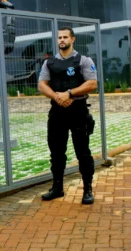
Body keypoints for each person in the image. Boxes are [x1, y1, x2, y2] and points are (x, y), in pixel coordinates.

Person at [38, 26, 97, 205]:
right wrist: (57, 96)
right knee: (56, 153)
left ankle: (87, 189)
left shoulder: (83, 60)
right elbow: (42, 84)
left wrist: (69, 93)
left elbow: (92, 83)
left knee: (83, 153)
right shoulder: (49, 63)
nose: (61, 40)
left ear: (73, 39)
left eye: (65, 37)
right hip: (57, 112)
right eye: (59, 38)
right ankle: (57, 188)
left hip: (78, 111)